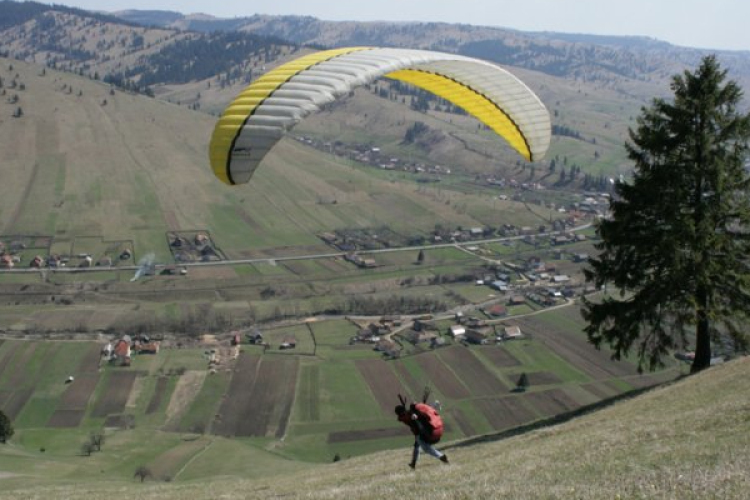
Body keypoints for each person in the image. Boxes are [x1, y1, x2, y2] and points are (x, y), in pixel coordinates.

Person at [395, 403, 449, 469]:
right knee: (417, 447)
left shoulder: (409, 415)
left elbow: (419, 416)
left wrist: (413, 414)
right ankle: (413, 464)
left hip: (421, 433)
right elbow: (402, 418)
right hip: (419, 433)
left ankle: (441, 456)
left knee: (426, 448)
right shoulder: (406, 416)